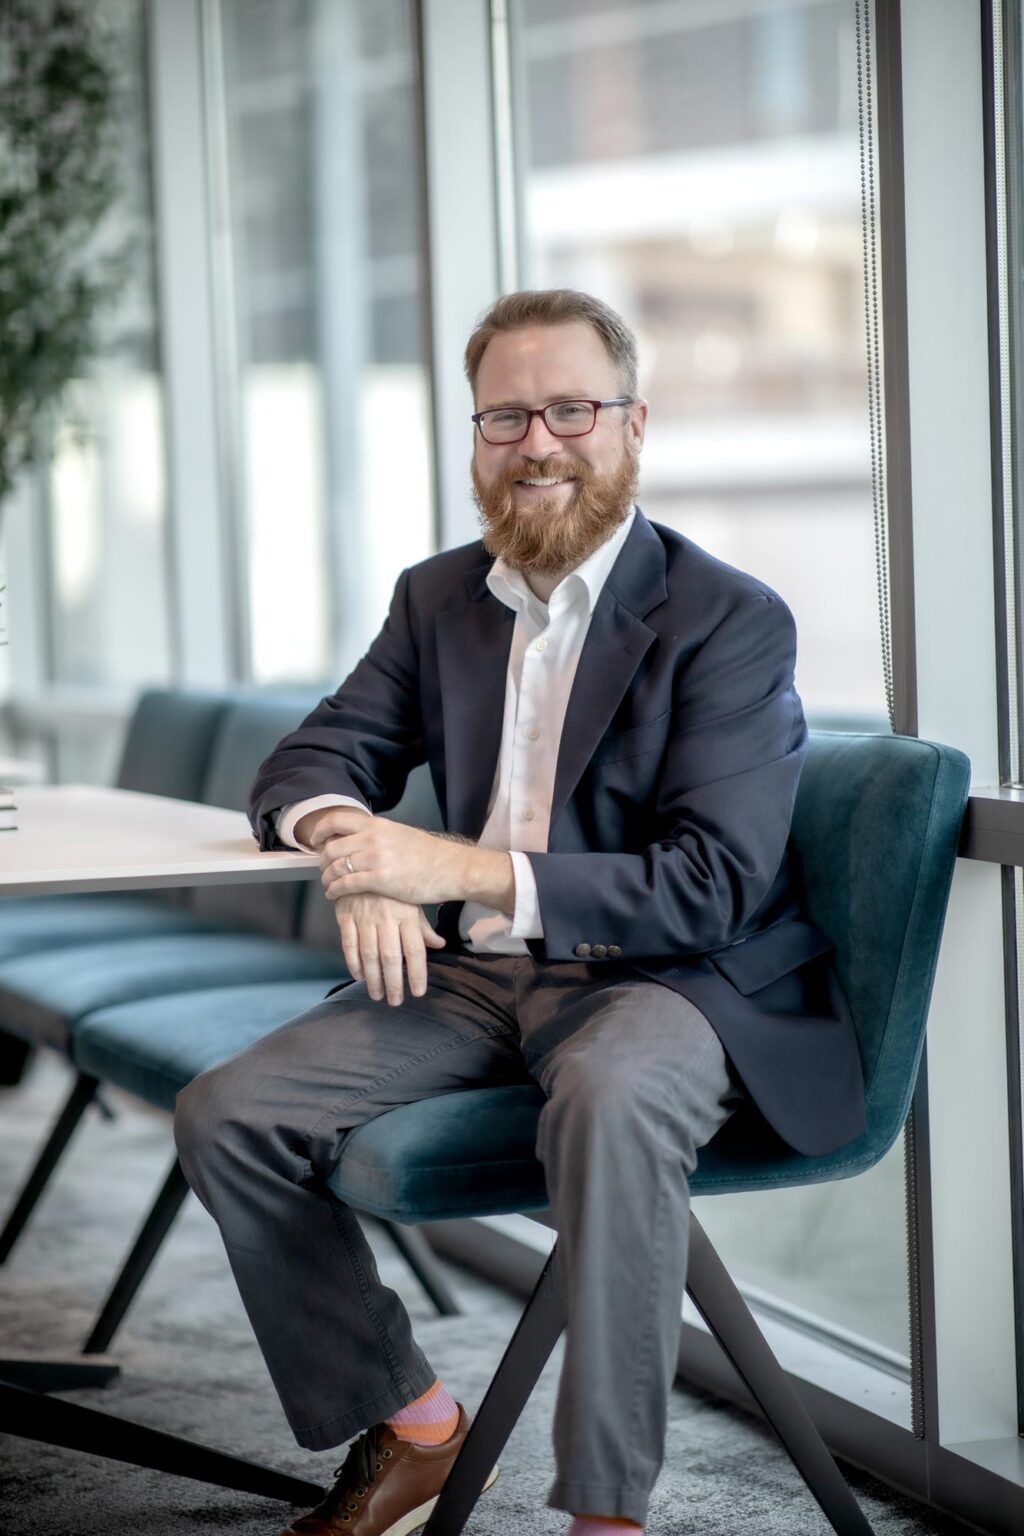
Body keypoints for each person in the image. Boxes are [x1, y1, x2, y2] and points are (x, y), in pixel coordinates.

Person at [174, 288, 865, 1536]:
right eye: (504, 415)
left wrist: (442, 868)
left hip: (666, 976)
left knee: (609, 1097)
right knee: (231, 1111)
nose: (536, 441)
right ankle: (415, 1418)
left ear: (633, 426)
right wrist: (356, 849)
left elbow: (708, 884)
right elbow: (307, 764)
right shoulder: (436, 598)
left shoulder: (727, 617)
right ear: (475, 432)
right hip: (479, 983)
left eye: (569, 409)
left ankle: (608, 1516)